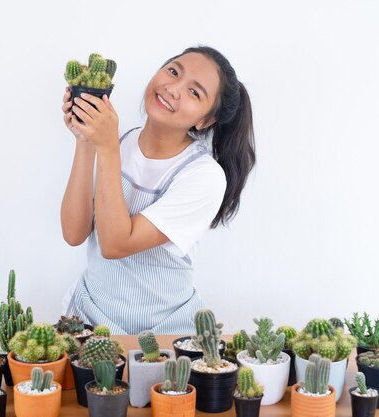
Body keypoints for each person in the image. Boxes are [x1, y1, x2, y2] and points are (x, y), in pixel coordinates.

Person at [60, 45, 255, 335]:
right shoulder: (121, 142)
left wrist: (107, 147)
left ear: (206, 121)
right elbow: (74, 234)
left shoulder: (204, 176)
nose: (173, 88)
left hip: (161, 333)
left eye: (194, 92)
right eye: (173, 71)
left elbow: (115, 245)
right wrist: (85, 139)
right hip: (88, 318)